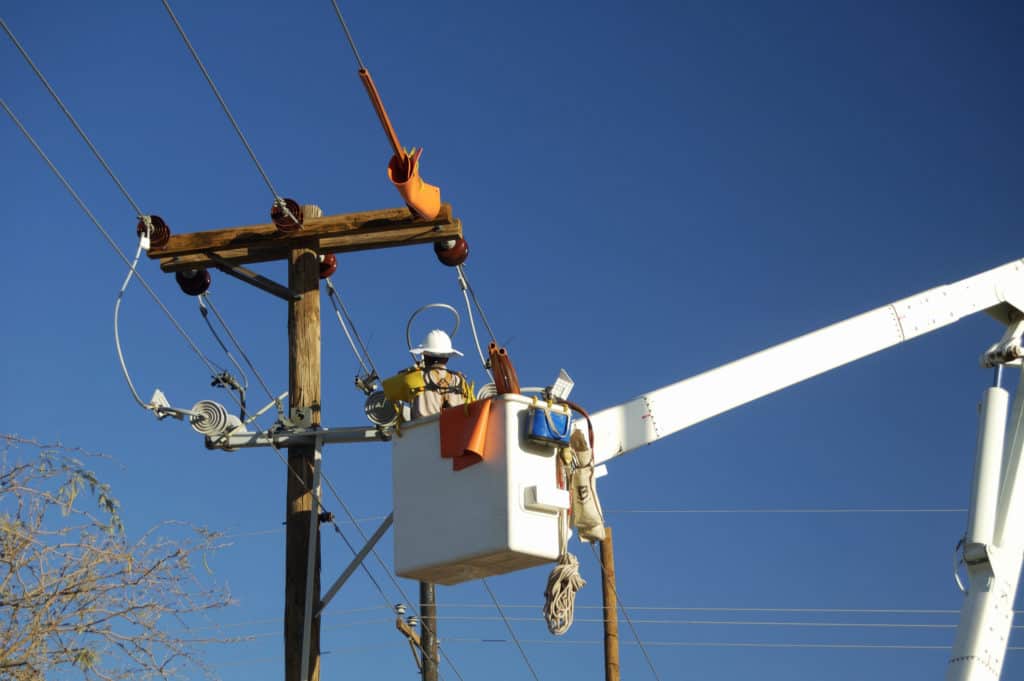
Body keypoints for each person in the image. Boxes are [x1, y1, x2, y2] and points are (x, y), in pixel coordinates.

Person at [409, 329, 470, 419]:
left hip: (423, 430)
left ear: (425, 356)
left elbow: (390, 390)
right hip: (457, 429)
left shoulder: (415, 377)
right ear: (447, 357)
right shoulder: (460, 380)